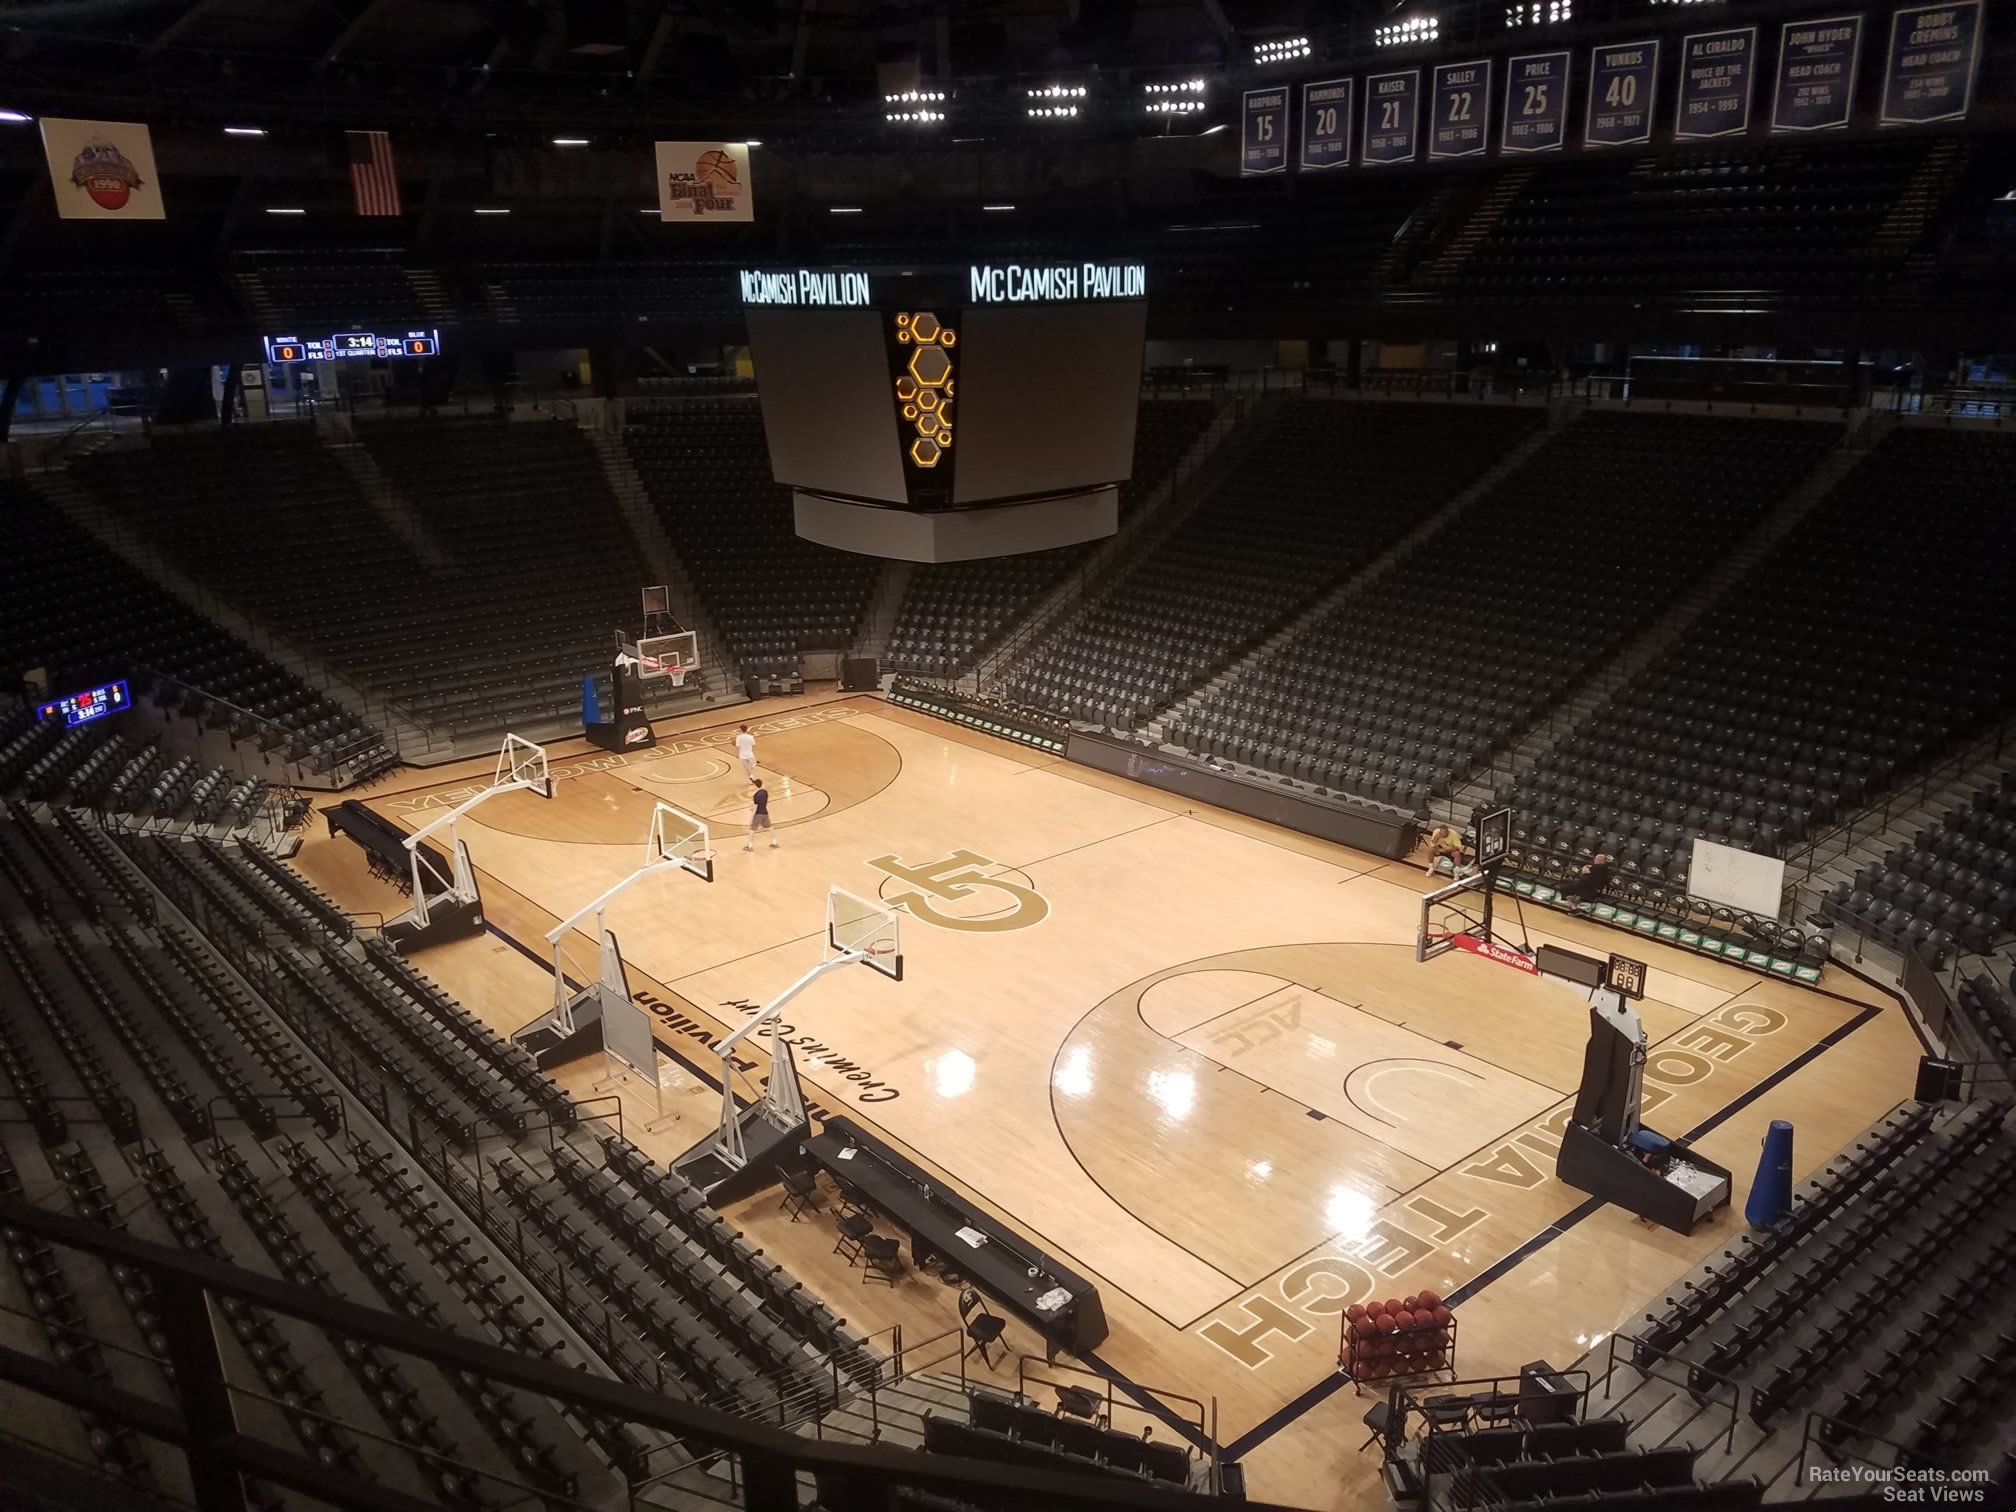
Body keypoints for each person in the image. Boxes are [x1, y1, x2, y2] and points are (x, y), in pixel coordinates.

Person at [744, 782, 778, 850]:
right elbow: (764, 802)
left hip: (758, 814)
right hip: (765, 812)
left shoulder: (756, 795)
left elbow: (755, 807)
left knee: (752, 830)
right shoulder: (765, 792)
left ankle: (750, 846)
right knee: (770, 827)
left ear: (756, 786)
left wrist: (751, 817)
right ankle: (775, 843)